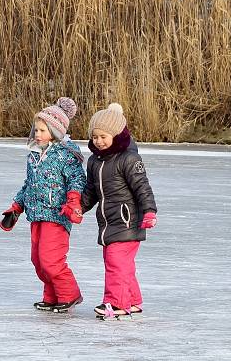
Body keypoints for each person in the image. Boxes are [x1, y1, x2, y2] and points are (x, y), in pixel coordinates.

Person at [0, 97, 87, 313]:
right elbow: (29, 184)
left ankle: (69, 294)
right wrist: (16, 207)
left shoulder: (65, 155)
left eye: (42, 130)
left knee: (51, 260)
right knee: (38, 261)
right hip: (36, 215)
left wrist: (73, 200)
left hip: (57, 215)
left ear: (55, 132)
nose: (37, 134)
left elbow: (78, 179)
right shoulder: (34, 156)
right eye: (36, 129)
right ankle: (51, 296)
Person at [80, 103, 157, 320]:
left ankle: (115, 304)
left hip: (127, 221)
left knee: (116, 264)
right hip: (108, 223)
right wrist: (79, 208)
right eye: (95, 137)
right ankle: (132, 300)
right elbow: (91, 190)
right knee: (121, 265)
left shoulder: (129, 159)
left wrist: (149, 211)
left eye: (104, 136)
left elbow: (143, 187)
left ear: (116, 134)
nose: (99, 141)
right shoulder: (95, 161)